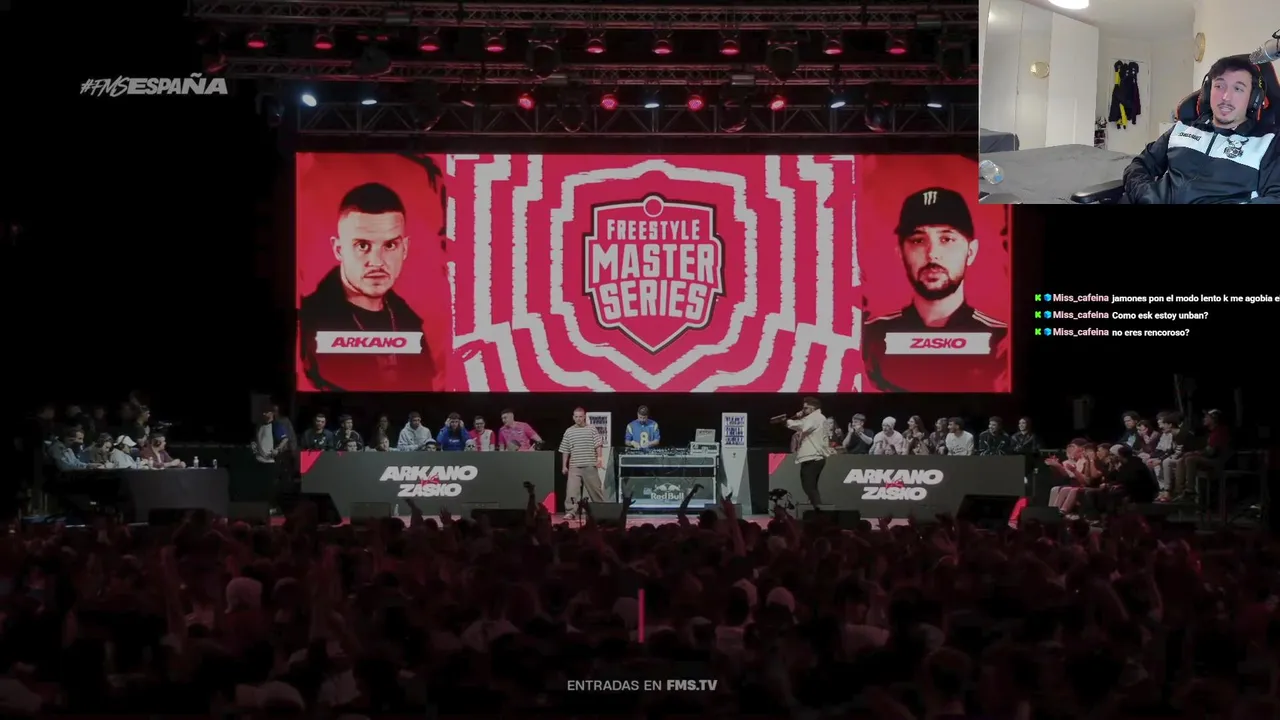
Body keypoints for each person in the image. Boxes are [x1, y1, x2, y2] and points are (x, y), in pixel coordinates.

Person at [298, 182, 443, 391]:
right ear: (338, 249)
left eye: (390, 245)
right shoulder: (305, 323)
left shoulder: (408, 322)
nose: (377, 262)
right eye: (362, 245)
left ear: (404, 249)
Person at [862, 187, 1010, 392]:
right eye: (918, 240)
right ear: (900, 253)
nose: (932, 254)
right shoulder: (869, 338)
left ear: (971, 252)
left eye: (947, 239)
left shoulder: (1004, 342)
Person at [1124, 55, 1279, 204]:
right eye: (1219, 86)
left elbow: (1276, 197)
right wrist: (1147, 196)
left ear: (1253, 98)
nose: (1226, 97)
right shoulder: (1182, 129)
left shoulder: (1268, 143)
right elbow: (1139, 165)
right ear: (1207, 91)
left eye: (1238, 89)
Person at [784, 397, 832, 508]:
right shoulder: (818, 418)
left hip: (814, 456)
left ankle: (819, 509)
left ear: (813, 408)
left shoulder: (816, 417)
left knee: (809, 487)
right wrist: (796, 419)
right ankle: (816, 508)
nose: (803, 410)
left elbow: (802, 426)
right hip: (814, 457)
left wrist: (787, 421)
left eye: (805, 408)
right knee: (810, 487)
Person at [559, 407, 605, 518]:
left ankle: (602, 511)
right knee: (572, 491)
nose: (578, 419)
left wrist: (599, 459)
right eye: (576, 417)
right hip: (574, 466)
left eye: (580, 416)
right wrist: (564, 466)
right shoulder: (569, 431)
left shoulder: (591, 429)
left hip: (589, 465)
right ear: (573, 417)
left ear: (584, 417)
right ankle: (570, 512)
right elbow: (565, 450)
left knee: (595, 490)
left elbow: (598, 445)